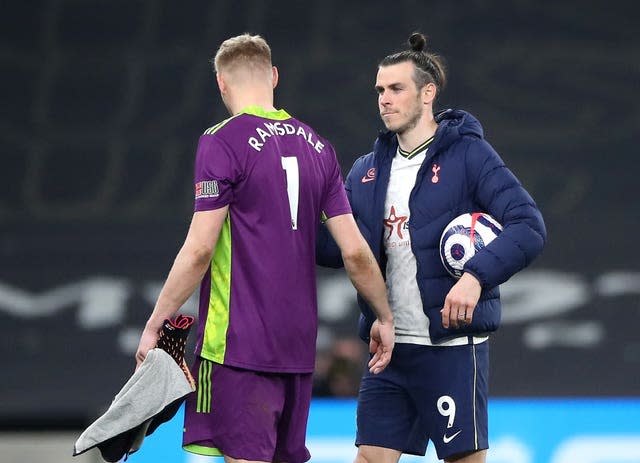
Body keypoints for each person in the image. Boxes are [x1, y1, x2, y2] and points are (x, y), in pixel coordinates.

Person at [134, 33, 395, 463]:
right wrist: (383, 315)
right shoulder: (319, 148)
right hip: (298, 351)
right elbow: (355, 252)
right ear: (274, 76)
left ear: (221, 83)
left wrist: (155, 323)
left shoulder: (221, 140)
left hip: (237, 347)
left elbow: (199, 249)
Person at [316, 32, 546, 463]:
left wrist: (476, 277)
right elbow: (340, 249)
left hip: (452, 350)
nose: (384, 99)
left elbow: (528, 226)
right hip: (390, 350)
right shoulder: (367, 171)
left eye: (396, 88)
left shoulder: (469, 156)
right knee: (369, 458)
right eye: (380, 90)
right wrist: (284, 220)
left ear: (428, 93)